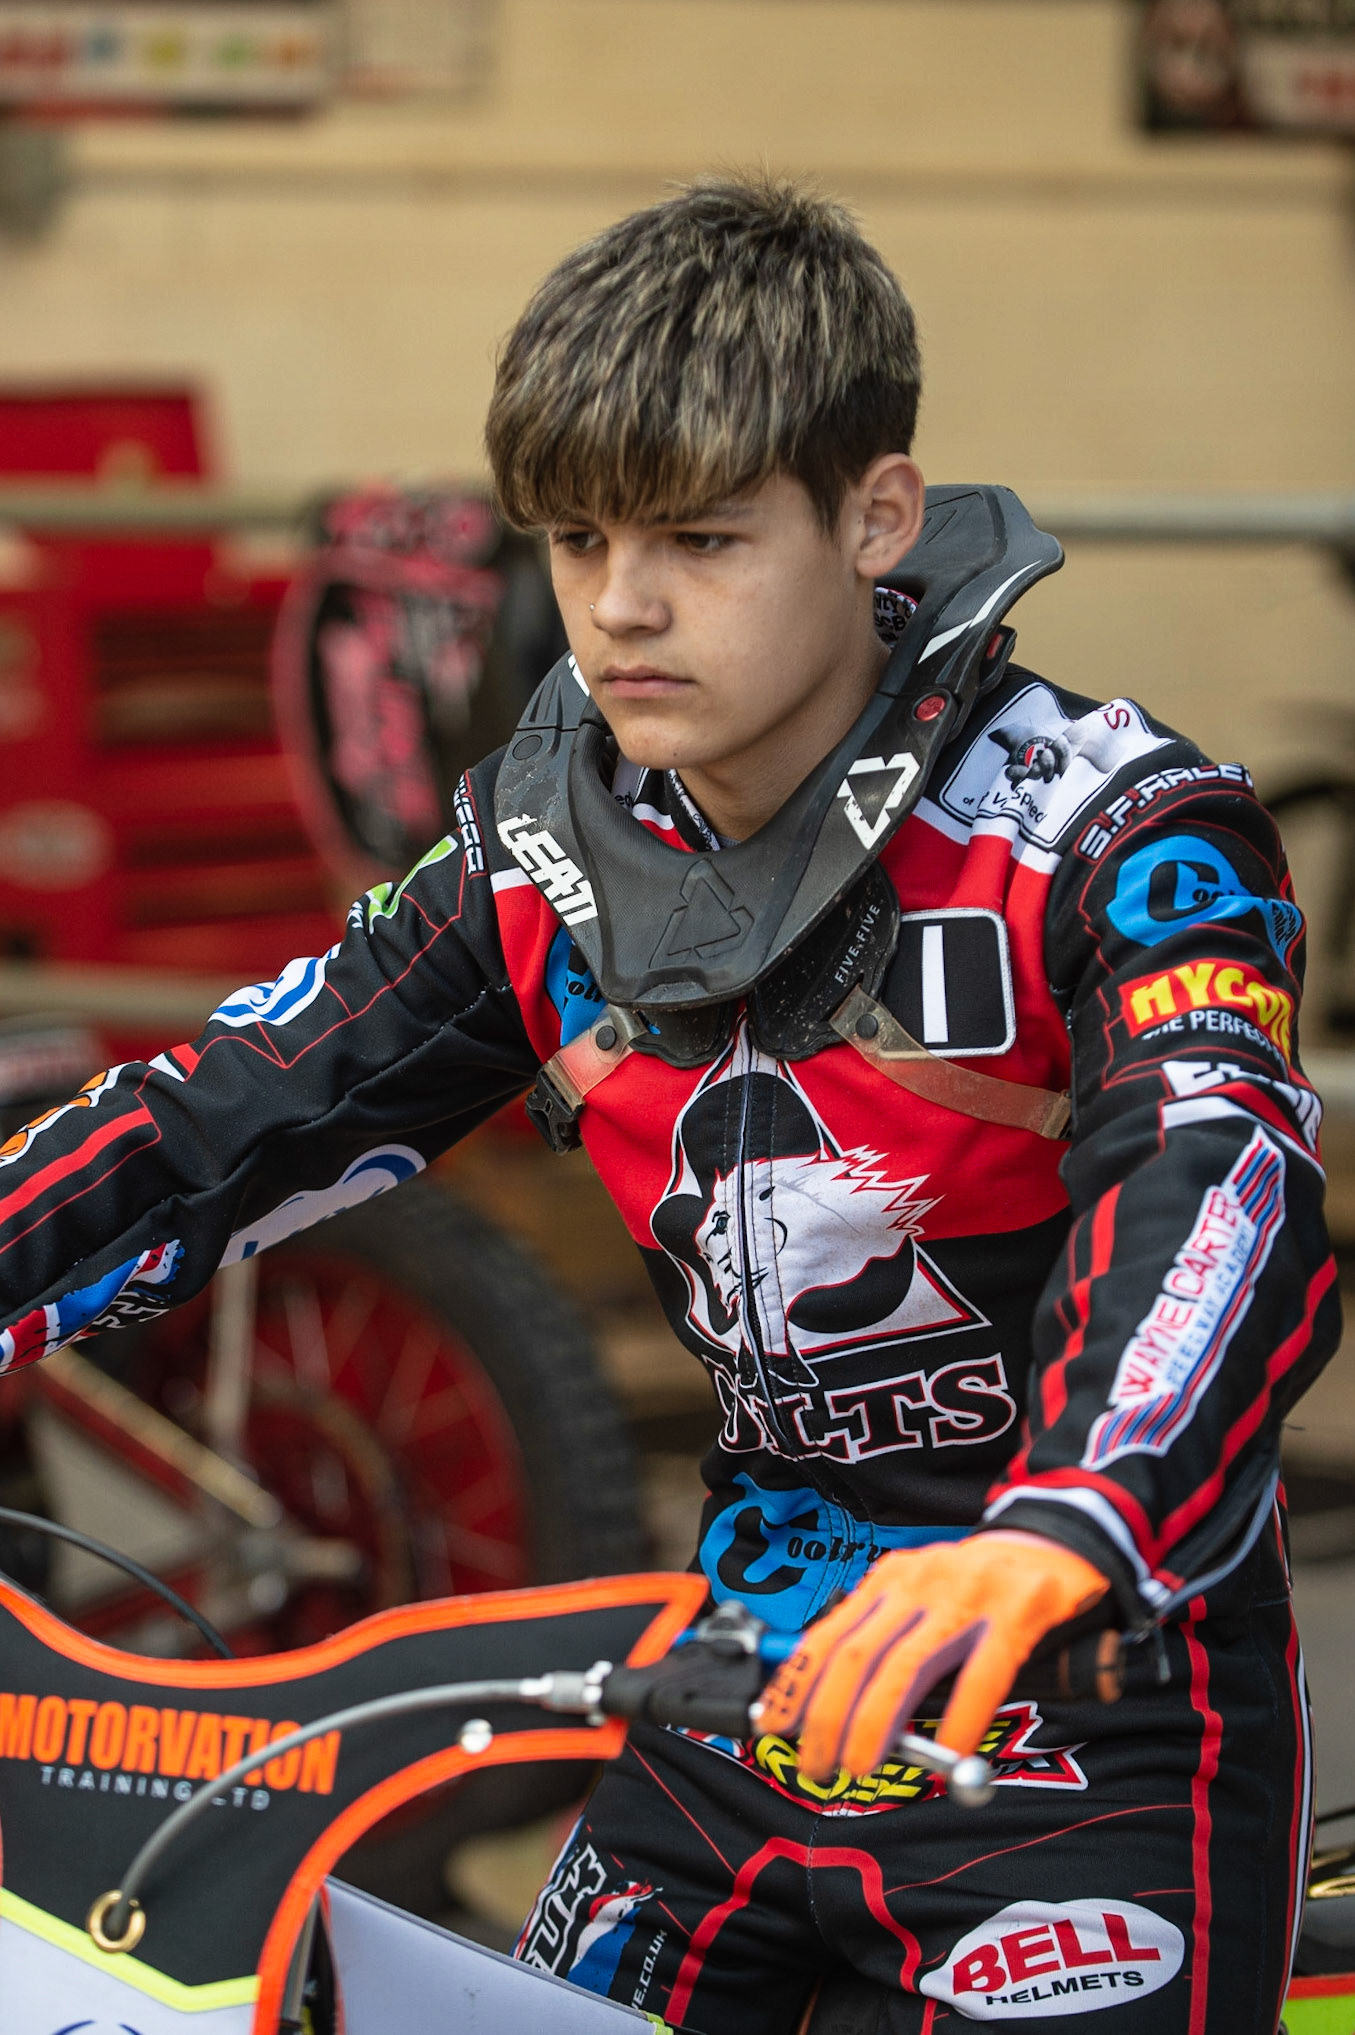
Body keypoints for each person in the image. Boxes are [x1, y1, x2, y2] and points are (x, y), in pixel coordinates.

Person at [0, 179, 1336, 2032]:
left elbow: (1216, 1178)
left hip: (1082, 1703)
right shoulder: (533, 857)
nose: (621, 609)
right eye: (574, 542)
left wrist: (1067, 1522)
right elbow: (223, 1112)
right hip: (725, 1695)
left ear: (876, 515)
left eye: (701, 539)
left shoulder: (1115, 831)